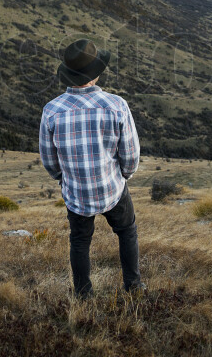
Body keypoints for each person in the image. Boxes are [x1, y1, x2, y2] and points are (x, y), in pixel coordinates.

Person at [39, 38, 143, 298]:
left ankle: (84, 294)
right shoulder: (116, 105)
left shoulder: (51, 111)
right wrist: (124, 175)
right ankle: (133, 286)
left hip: (76, 193)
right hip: (112, 188)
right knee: (127, 231)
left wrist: (63, 179)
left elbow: (49, 160)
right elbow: (130, 154)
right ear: (95, 74)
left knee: (80, 240)